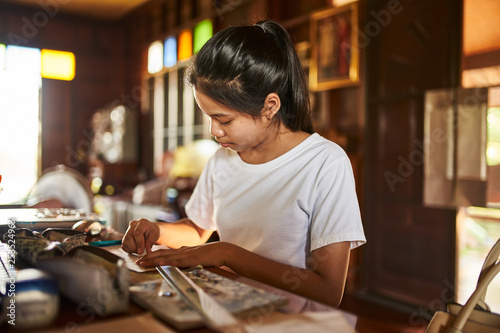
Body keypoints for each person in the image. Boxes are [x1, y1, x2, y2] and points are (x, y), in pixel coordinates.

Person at [122, 20, 366, 307]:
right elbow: (199, 231)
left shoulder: (324, 162)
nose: (214, 131)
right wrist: (158, 231)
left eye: (224, 120)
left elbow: (328, 290)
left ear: (270, 107)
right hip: (227, 311)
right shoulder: (223, 160)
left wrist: (228, 254)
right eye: (209, 117)